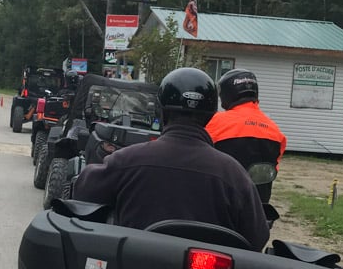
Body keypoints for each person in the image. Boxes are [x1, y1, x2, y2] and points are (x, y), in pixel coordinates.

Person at [72, 67, 270, 250]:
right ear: (210, 115)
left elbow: (83, 193)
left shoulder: (127, 160)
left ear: (162, 110)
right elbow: (257, 238)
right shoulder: (235, 175)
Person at [206, 69, 287, 203]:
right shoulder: (275, 131)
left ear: (227, 94)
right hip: (258, 207)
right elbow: (272, 170)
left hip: (220, 203)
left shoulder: (214, 122)